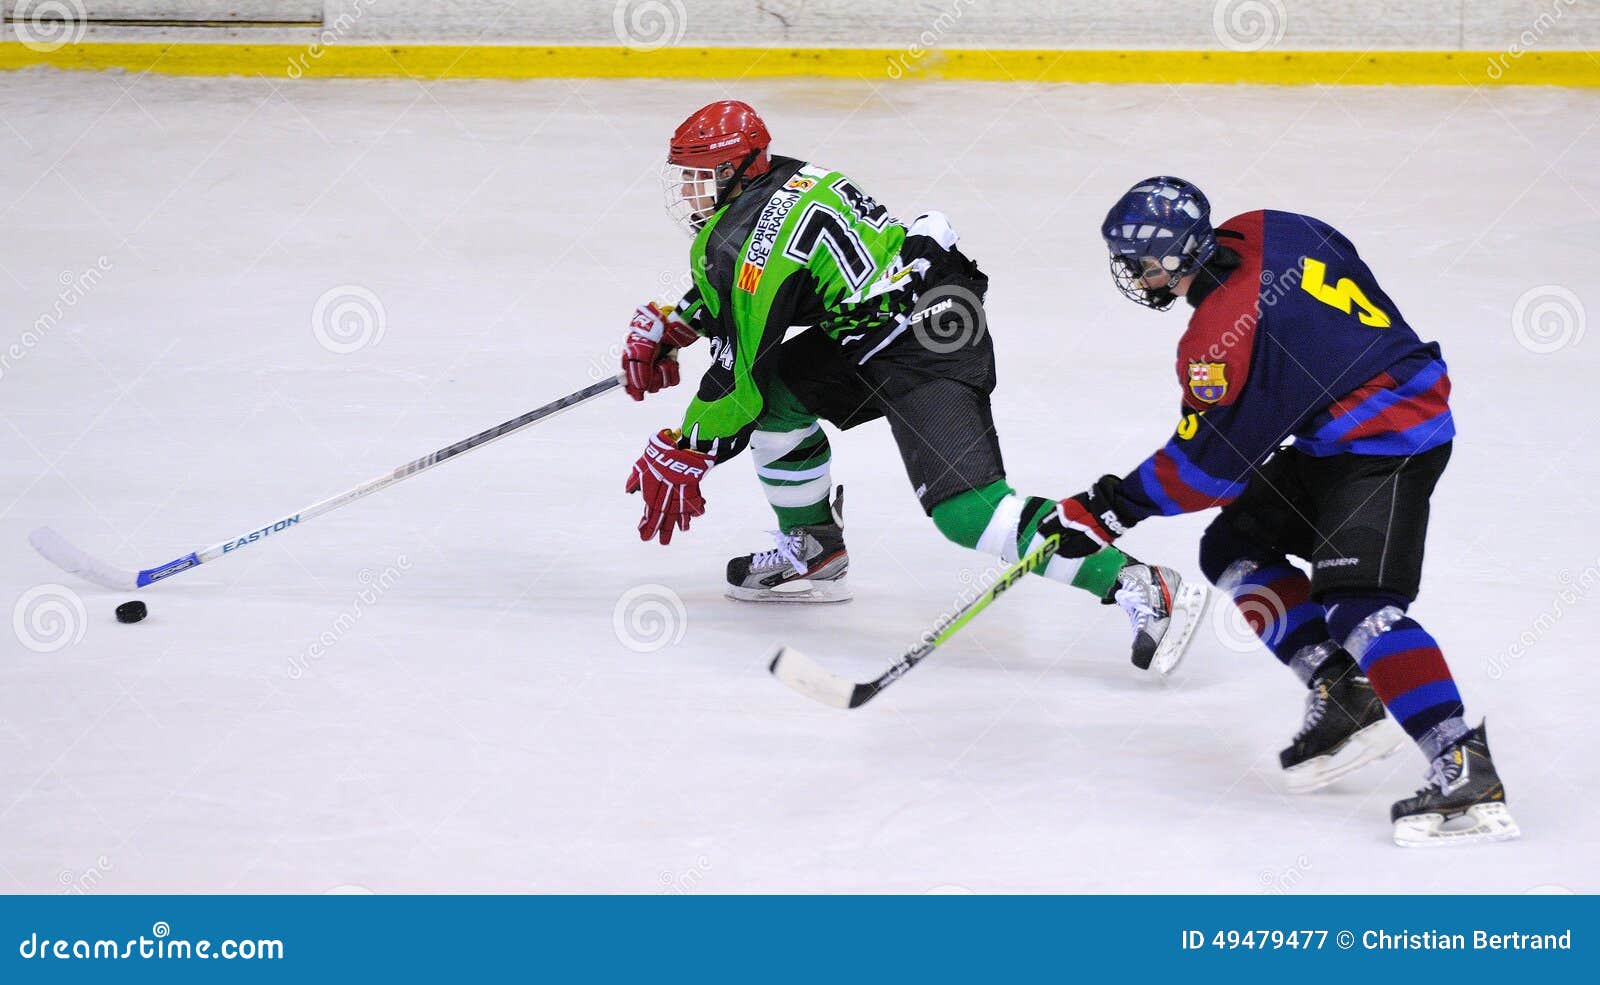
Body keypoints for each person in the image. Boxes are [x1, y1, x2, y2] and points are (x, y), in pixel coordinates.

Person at [620, 100, 1205, 671]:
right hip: (889, 321)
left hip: (926, 338)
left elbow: (740, 369)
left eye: (699, 177)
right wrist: (682, 321)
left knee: (969, 514)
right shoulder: (787, 179)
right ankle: (815, 548)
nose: (689, 192)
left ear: (736, 170)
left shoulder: (743, 240)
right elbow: (758, 290)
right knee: (778, 404)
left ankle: (1138, 582)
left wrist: (688, 444)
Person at [1050, 175, 1518, 845]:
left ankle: (1465, 772)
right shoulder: (1273, 225)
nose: (1135, 273)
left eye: (1142, 261)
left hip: (1392, 443)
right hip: (1343, 432)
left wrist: (1110, 509)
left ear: (1177, 258)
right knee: (1234, 545)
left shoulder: (1216, 338)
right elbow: (1343, 265)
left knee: (1359, 605)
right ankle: (1344, 691)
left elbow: (1206, 470)